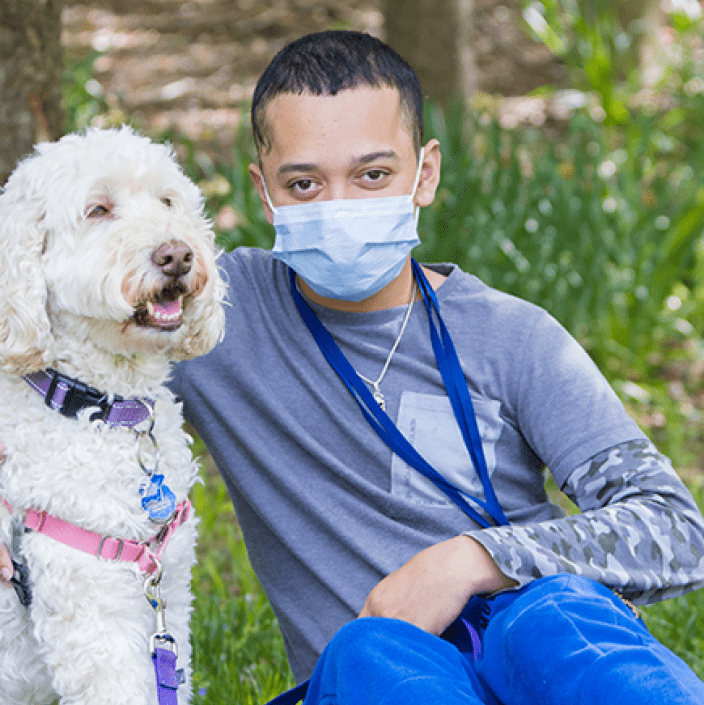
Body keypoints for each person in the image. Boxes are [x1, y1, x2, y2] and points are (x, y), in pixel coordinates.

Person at [3, 30, 704, 704]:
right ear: (263, 189)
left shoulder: (513, 337)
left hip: (536, 646)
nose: (340, 205)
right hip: (376, 670)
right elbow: (43, 328)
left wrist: (469, 560)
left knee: (556, 620)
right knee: (371, 650)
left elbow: (676, 529)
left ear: (424, 173)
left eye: (373, 175)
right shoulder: (210, 310)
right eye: (304, 184)